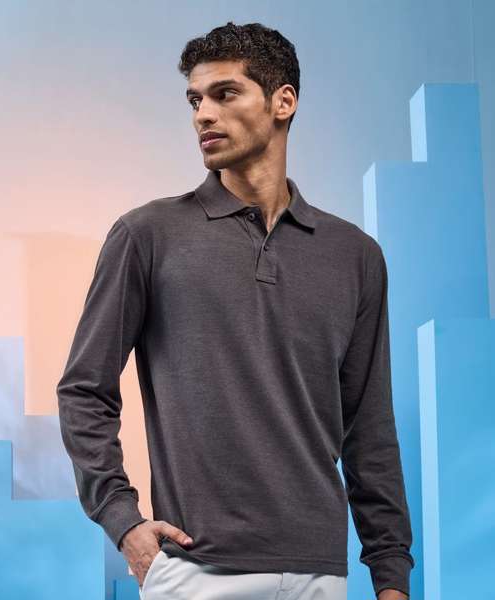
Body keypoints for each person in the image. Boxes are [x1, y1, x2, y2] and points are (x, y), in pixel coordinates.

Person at [56, 21, 414, 600]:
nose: (203, 115)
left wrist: (391, 578)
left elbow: (369, 429)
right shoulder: (148, 235)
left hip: (320, 574)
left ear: (283, 102)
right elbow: (83, 390)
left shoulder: (355, 256)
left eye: (225, 94)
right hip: (195, 571)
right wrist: (124, 523)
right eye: (195, 100)